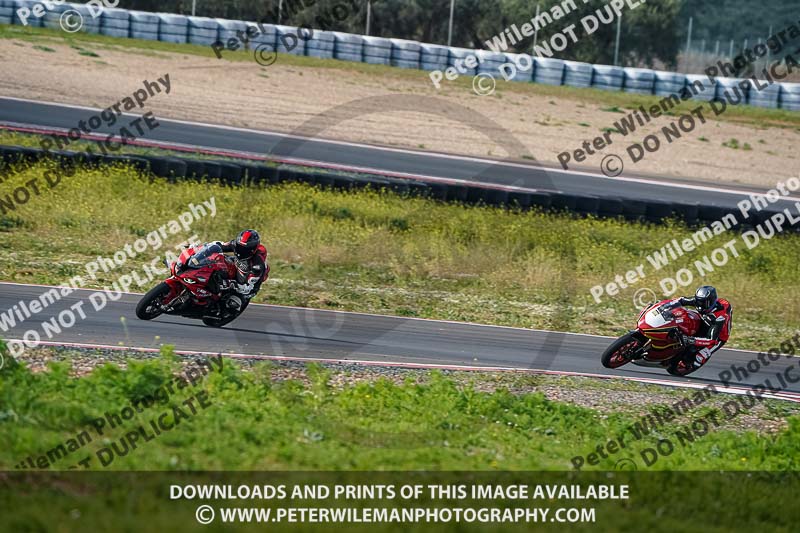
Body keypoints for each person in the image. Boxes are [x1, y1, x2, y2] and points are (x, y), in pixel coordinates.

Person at [674, 286, 732, 374]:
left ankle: (690, 365)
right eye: (699, 301)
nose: (700, 305)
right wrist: (667, 305)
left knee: (700, 356)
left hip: (718, 338)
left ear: (712, 302)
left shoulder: (719, 317)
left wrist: (691, 340)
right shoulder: (700, 301)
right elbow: (681, 300)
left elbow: (711, 340)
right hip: (705, 322)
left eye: (704, 303)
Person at [208, 229, 269, 313]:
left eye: (244, 249)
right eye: (239, 246)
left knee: (234, 302)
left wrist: (232, 283)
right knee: (218, 260)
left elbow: (248, 287)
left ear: (252, 250)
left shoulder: (257, 266)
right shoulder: (236, 244)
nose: (240, 251)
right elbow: (219, 245)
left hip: (248, 283)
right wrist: (201, 247)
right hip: (238, 264)